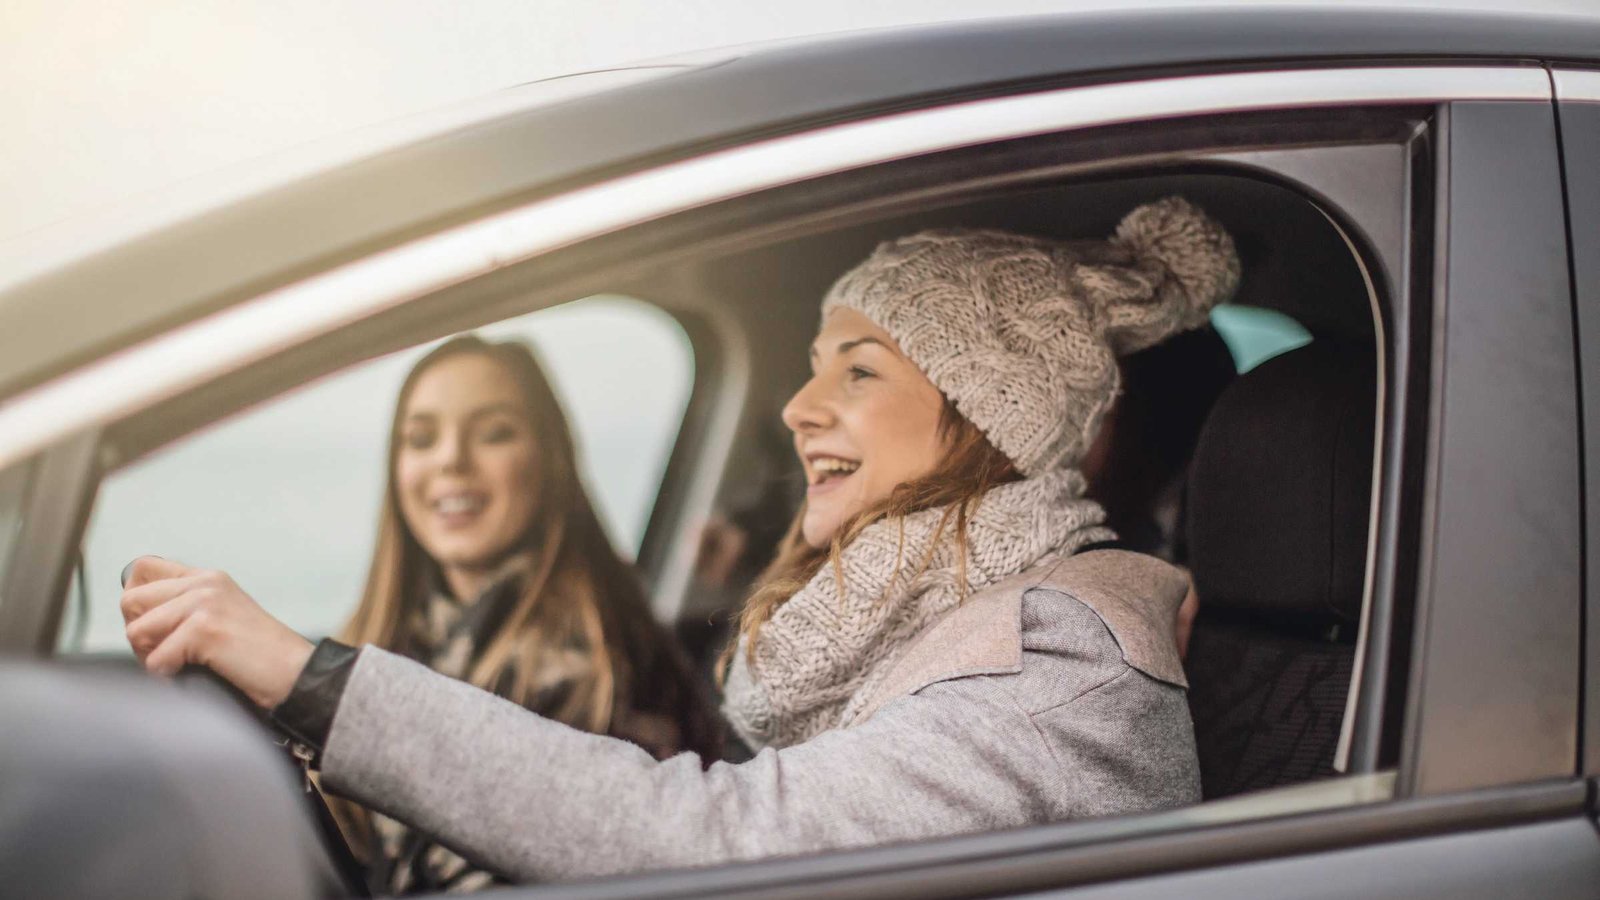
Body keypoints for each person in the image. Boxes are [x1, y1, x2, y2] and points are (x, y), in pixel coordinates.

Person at [120, 196, 1240, 883]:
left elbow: (719, 845)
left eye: (857, 372)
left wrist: (311, 678)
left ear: (986, 418)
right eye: (809, 371)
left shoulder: (1055, 667)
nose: (800, 411)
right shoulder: (945, 619)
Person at [314, 336, 723, 892]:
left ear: (550, 459)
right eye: (421, 438)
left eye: (493, 433)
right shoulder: (377, 648)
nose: (450, 460)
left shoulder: (604, 676)